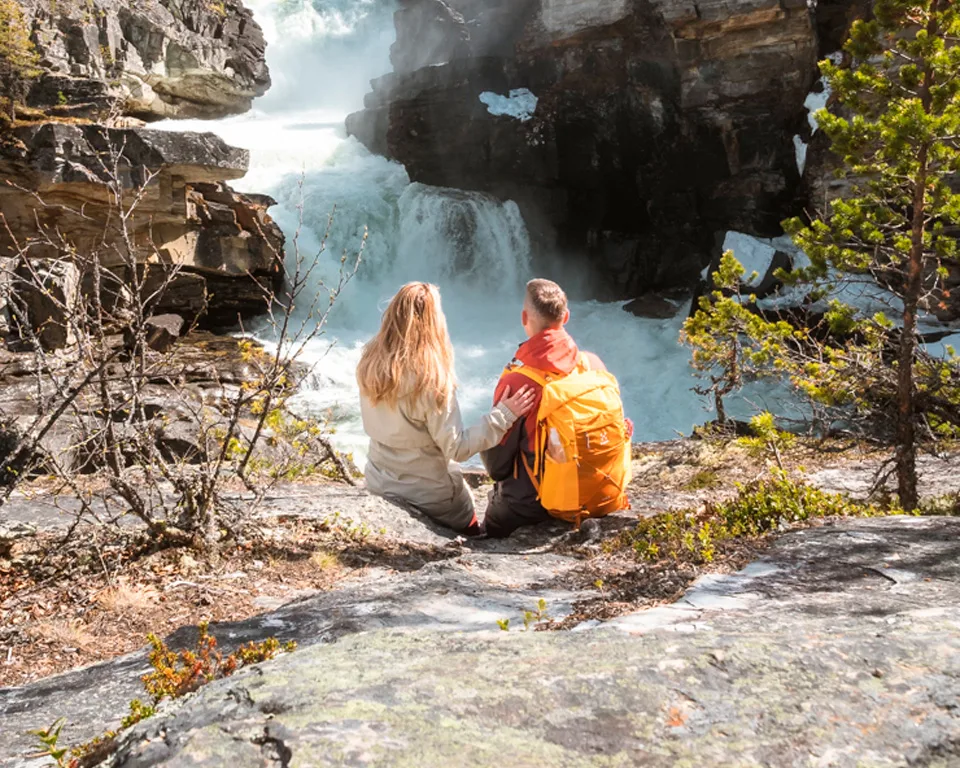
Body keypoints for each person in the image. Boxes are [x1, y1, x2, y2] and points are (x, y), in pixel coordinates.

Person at [357, 282, 536, 536]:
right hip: (430, 499)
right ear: (433, 322)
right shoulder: (430, 380)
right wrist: (504, 415)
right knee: (478, 527)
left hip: (380, 483)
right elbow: (458, 448)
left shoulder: (369, 362)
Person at [481, 279, 633, 538]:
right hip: (598, 495)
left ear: (524, 318)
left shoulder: (517, 381)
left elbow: (497, 466)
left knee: (487, 528)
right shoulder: (593, 365)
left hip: (531, 508)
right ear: (566, 317)